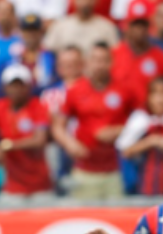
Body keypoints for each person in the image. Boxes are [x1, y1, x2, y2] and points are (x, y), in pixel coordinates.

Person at [53, 43, 131, 200]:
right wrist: (70, 143)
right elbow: (58, 126)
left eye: (104, 60)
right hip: (84, 170)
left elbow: (140, 120)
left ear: (111, 62)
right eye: (95, 60)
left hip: (115, 170)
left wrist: (119, 131)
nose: (100, 65)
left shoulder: (124, 90)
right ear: (87, 63)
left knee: (117, 213)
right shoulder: (75, 91)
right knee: (84, 214)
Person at [0, 64, 54, 202]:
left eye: (21, 85)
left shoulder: (38, 106)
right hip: (12, 186)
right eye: (12, 85)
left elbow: (39, 140)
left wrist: (8, 145)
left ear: (28, 87)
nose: (16, 90)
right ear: (5, 87)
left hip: (40, 186)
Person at [115, 76, 163, 196]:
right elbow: (125, 151)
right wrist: (151, 141)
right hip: (146, 185)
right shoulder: (140, 119)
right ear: (149, 97)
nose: (160, 99)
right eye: (155, 94)